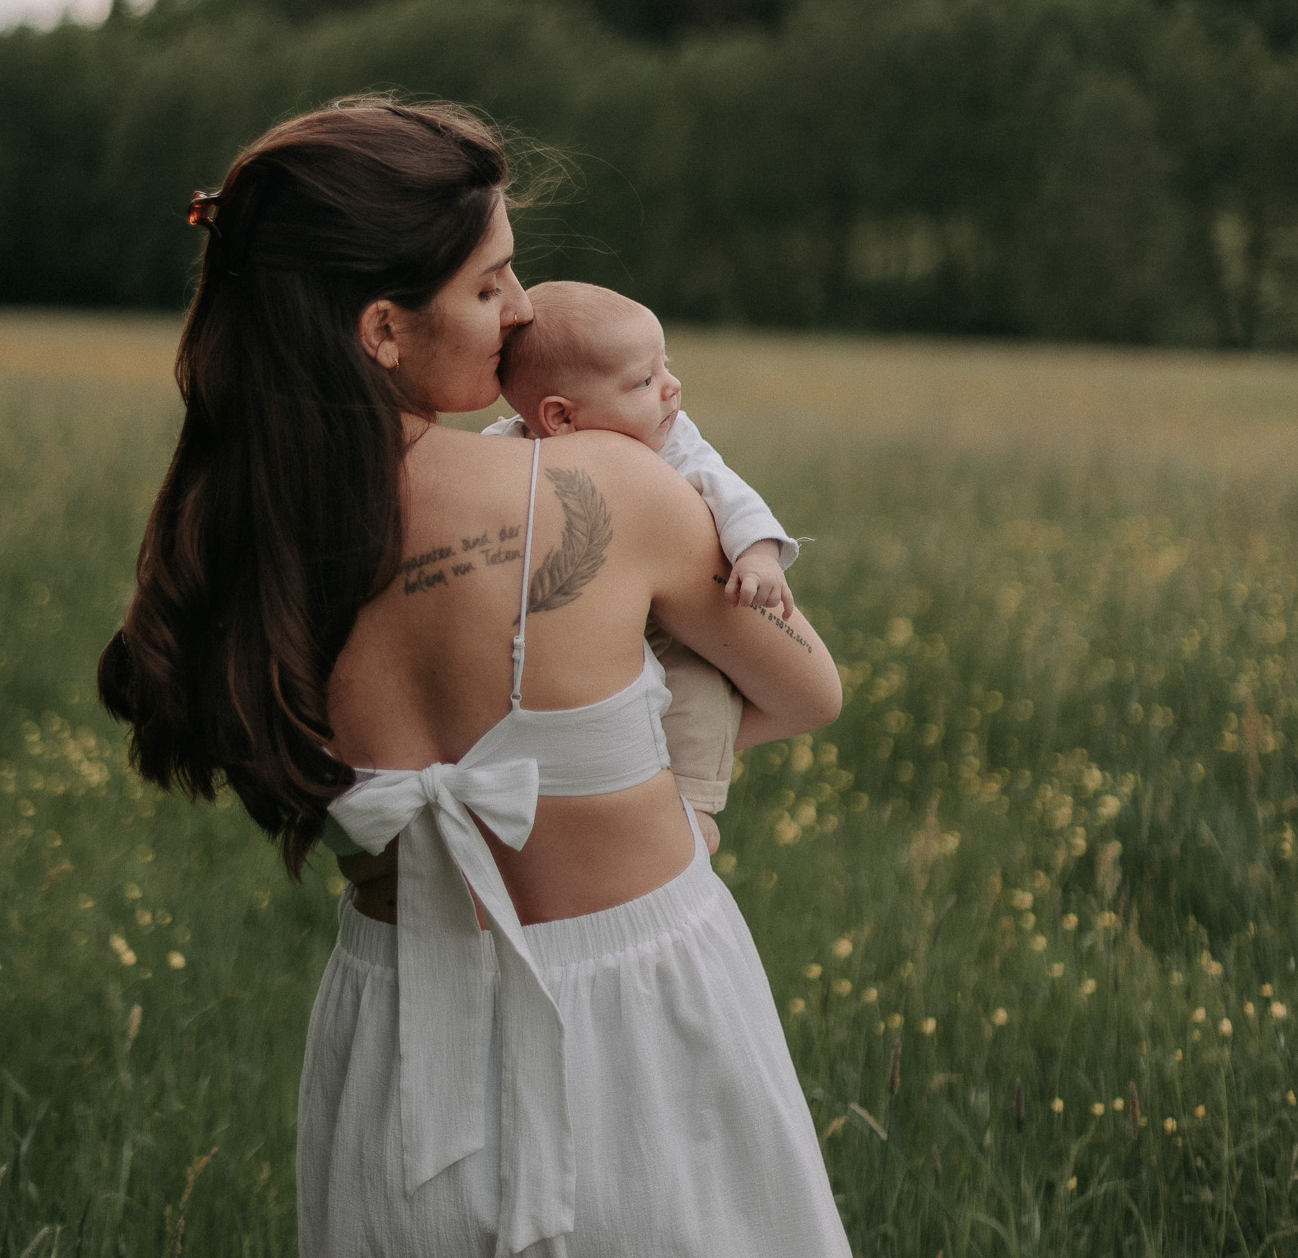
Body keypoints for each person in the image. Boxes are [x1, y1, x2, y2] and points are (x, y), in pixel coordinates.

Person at [97, 98, 851, 1258]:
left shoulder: (248, 548)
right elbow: (807, 692)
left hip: (397, 1042)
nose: (524, 309)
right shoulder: (606, 485)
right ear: (384, 330)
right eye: (491, 283)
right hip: (643, 1023)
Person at [484, 278, 799, 848]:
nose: (672, 388)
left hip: (668, 626)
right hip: (577, 632)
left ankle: (693, 804)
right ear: (560, 418)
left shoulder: (672, 445)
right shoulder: (505, 450)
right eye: (645, 380)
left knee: (699, 689)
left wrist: (757, 555)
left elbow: (730, 495)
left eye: (665, 365)